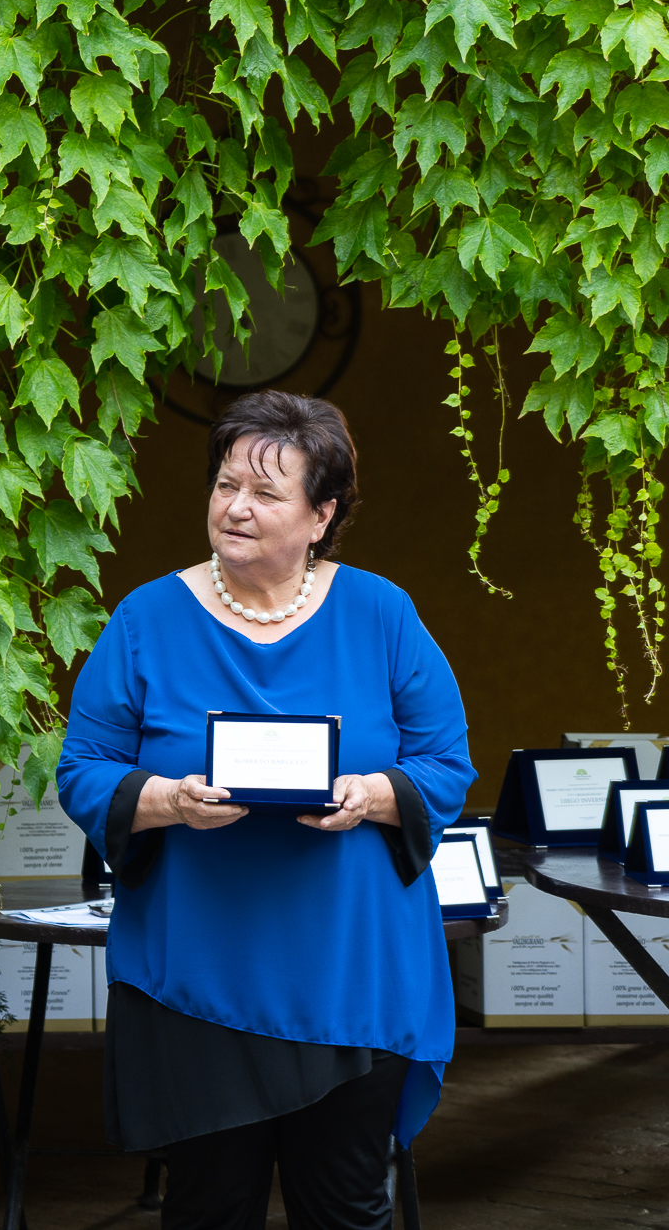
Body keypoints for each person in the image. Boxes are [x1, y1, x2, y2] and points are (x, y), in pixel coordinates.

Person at [55, 391, 475, 1230]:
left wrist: (372, 793)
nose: (235, 506)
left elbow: (445, 765)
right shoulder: (144, 619)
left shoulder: (383, 614)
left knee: (346, 1208)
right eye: (225, 485)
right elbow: (84, 770)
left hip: (354, 973)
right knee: (208, 1209)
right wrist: (169, 800)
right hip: (196, 976)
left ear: (322, 515)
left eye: (264, 492)